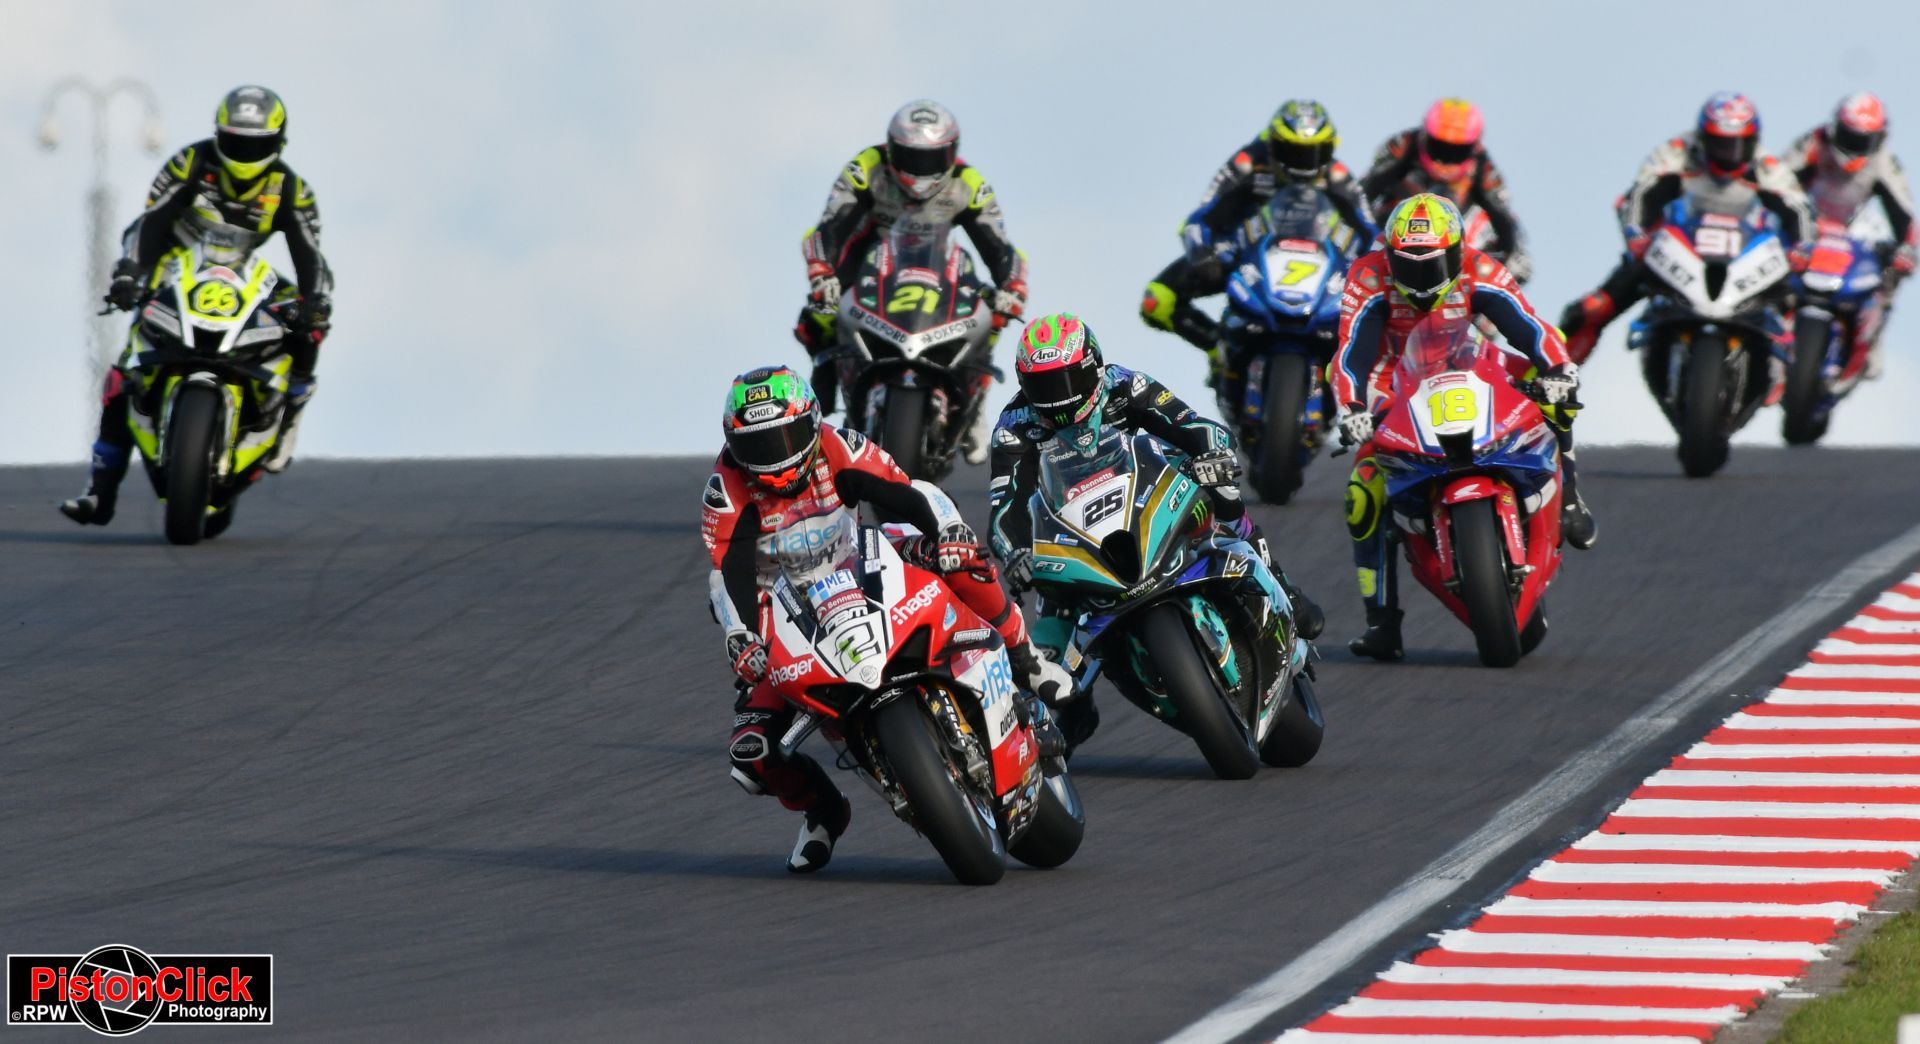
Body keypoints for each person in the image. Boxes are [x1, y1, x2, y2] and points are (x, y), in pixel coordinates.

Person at [703, 365, 1072, 873]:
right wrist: (742, 637)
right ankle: (823, 814)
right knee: (752, 752)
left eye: (784, 437)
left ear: (810, 421)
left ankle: (1024, 656)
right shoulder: (727, 489)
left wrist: (942, 533)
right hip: (783, 612)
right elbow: (731, 570)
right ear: (732, 444)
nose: (774, 456)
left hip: (862, 563)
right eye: (758, 445)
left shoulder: (839, 446)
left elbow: (898, 492)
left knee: (960, 556)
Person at [986, 313, 1325, 743]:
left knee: (1222, 494)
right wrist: (1015, 551)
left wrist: (1213, 454)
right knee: (1046, 621)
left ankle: (1279, 578)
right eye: (1044, 386)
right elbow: (1004, 509)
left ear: (1093, 366)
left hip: (1153, 493)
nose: (1059, 398)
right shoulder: (1013, 428)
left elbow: (1194, 425)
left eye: (1068, 380)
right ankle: (1070, 708)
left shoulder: (1124, 385)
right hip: (1078, 533)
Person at [1332, 194, 1591, 661]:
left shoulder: (1481, 268)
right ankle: (1382, 623)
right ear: (1388, 254)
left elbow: (1528, 326)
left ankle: (1570, 494)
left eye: (1431, 265)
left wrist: (1559, 368)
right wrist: (1351, 407)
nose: (1419, 277)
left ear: (1455, 252)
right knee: (1362, 489)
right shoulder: (1367, 275)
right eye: (1406, 265)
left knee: (1552, 387)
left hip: (1468, 358)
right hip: (1392, 376)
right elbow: (1352, 350)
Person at [61, 85, 331, 528]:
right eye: (236, 141)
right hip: (176, 266)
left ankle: (291, 408)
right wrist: (129, 274)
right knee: (123, 372)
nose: (244, 153)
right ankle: (98, 492)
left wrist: (315, 301)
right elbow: (151, 223)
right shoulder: (191, 163)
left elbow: (310, 255)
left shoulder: (291, 189)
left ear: (278, 143)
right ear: (218, 135)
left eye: (256, 145)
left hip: (246, 272)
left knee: (313, 319)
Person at [794, 100, 1027, 464]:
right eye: (911, 157)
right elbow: (829, 228)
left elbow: (999, 247)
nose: (921, 170)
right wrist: (822, 273)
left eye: (931, 159)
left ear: (951, 152)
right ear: (891, 148)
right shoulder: (866, 168)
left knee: (989, 312)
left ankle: (974, 392)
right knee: (818, 314)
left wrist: (1012, 289)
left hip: (939, 262)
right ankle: (822, 387)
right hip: (870, 255)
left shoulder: (969, 184)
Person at [1559, 91, 1816, 362]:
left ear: (1753, 142)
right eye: (1719, 144)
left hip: (1742, 253)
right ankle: (1551, 374)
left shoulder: (1768, 167)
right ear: (1703, 138)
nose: (1729, 154)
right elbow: (1640, 195)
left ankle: (1784, 370)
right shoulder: (1676, 152)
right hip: (1677, 246)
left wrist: (1803, 248)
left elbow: (1798, 210)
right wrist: (1636, 235)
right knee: (1592, 309)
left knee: (1799, 294)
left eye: (1738, 145)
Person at [1140, 100, 1378, 372]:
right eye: (1292, 151)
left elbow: (1369, 229)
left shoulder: (1337, 175)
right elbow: (1200, 218)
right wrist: (1203, 253)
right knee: (1156, 299)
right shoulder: (1247, 163)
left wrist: (1372, 266)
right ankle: (1218, 349)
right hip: (1245, 252)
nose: (1303, 162)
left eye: (1314, 152)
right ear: (1273, 143)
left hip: (1319, 261)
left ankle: (1340, 370)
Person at [1779, 92, 1917, 379]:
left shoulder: (1883, 163)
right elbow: (1779, 180)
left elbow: (1904, 214)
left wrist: (1908, 249)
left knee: (1890, 272)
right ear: (1834, 127)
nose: (1852, 146)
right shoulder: (1813, 143)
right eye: (1848, 136)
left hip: (1854, 229)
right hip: (1807, 220)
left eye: (1861, 141)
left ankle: (1871, 338)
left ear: (1878, 139)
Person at [1361, 98, 1532, 284]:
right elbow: (1364, 190)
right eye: (1439, 148)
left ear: (1474, 148)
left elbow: (1504, 217)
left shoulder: (1485, 169)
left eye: (1457, 151)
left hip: (1456, 245)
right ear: (1425, 135)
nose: (1446, 159)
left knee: (1510, 256)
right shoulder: (1403, 144)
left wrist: (1510, 257)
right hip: (1395, 233)